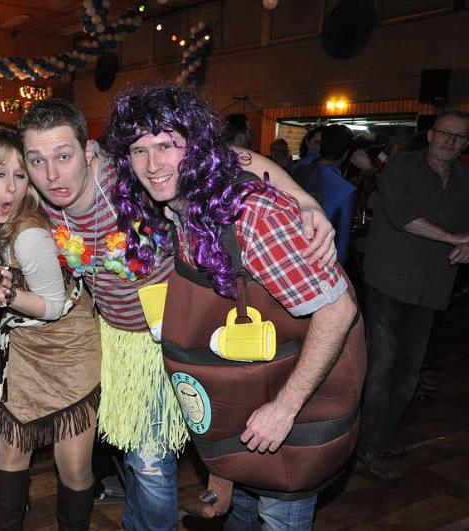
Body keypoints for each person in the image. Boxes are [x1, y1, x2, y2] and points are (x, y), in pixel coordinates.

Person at [13, 97, 336, 530]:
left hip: (183, 334)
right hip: (118, 342)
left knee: (172, 457)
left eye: (64, 156)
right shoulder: (39, 197)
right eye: (37, 160)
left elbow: (233, 157)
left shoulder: (130, 173)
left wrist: (304, 200)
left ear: (89, 152)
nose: (52, 174)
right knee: (143, 459)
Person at [103, 83, 361, 531]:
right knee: (242, 513)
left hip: (289, 414)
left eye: (166, 145)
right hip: (245, 400)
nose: (153, 164)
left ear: (197, 147)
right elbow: (241, 158)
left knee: (278, 515)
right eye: (139, 150)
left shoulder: (251, 216)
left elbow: (337, 311)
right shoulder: (180, 206)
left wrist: (284, 409)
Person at [0, 125, 100, 530]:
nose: (11, 188)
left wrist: (7, 295)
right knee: (11, 452)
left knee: (73, 466)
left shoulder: (27, 233)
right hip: (25, 350)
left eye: (20, 176)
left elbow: (53, 305)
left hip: (68, 350)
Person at [358, 110, 469, 481]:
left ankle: (380, 437)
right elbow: (401, 216)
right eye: (445, 133)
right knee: (382, 365)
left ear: (466, 144)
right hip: (388, 281)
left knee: (409, 372)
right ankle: (368, 446)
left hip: (433, 286)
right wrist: (455, 239)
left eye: (459, 137)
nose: (450, 141)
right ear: (431, 134)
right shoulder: (401, 168)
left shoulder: (465, 179)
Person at [304, 124, 357, 265]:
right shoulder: (345, 189)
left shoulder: (299, 171)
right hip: (323, 261)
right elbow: (341, 249)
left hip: (292, 251)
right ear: (346, 153)